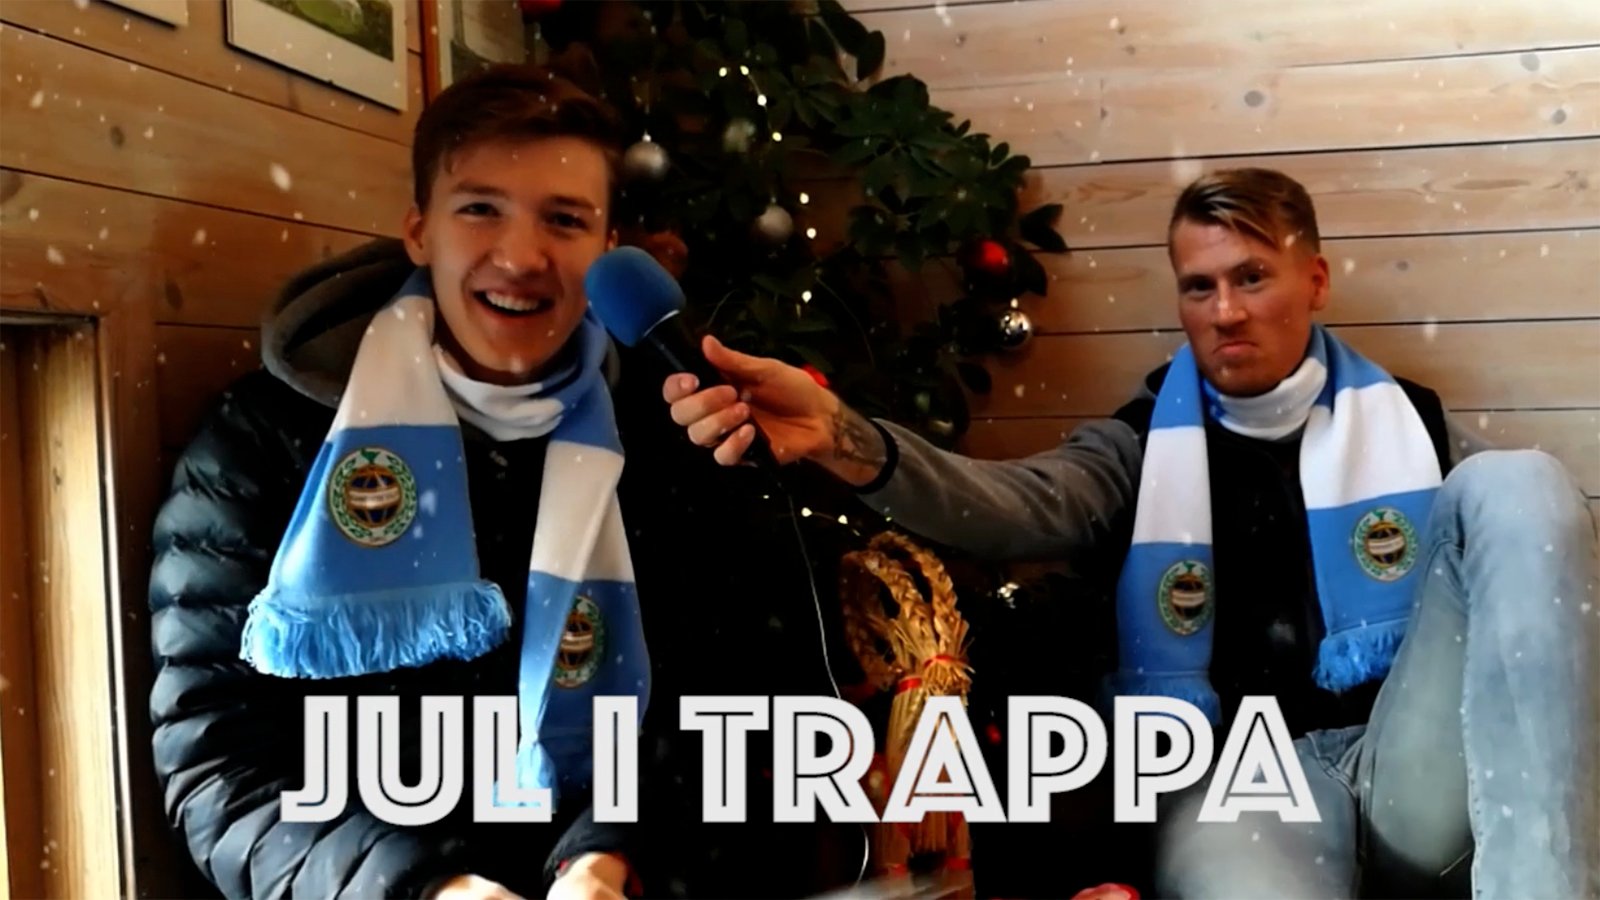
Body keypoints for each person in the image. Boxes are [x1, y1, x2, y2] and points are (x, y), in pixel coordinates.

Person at [663, 168, 1600, 899]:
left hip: (1412, 764)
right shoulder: (1141, 444)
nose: (1225, 311)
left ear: (1313, 280)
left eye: (1252, 277)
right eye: (1199, 287)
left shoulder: (1415, 427)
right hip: (1242, 782)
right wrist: (844, 436)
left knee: (1520, 483)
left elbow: (1549, 559)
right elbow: (1010, 506)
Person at [148, 64, 863, 900]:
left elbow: (740, 708)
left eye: (564, 220)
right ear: (420, 231)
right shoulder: (261, 444)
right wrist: (429, 888)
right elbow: (221, 768)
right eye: (480, 209)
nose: (520, 257)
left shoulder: (679, 435)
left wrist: (608, 855)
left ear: (607, 250)